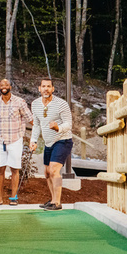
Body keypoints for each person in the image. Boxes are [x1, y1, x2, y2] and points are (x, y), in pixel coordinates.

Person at [30, 78, 73, 210]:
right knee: (47, 173)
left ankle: (57, 203)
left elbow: (69, 124)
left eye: (49, 86)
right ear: (39, 88)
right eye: (43, 86)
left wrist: (57, 128)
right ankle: (53, 199)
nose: (46, 89)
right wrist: (33, 140)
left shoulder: (61, 104)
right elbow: (36, 124)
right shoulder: (35, 104)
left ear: (53, 89)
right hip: (48, 143)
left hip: (63, 140)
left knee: (54, 170)